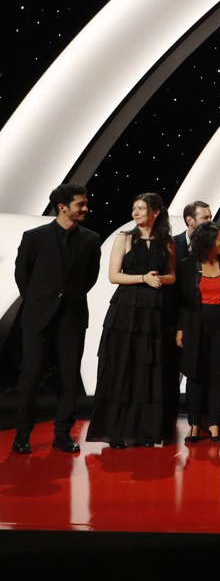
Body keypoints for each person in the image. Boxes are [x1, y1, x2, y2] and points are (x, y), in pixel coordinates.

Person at [11, 183, 101, 455]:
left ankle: (62, 434)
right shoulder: (34, 236)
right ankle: (22, 434)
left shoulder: (91, 239)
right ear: (62, 207)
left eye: (85, 203)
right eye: (80, 205)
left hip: (72, 317)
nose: (86, 208)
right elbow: (22, 275)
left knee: (68, 377)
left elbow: (90, 278)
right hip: (39, 316)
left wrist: (68, 297)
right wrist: (41, 300)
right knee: (31, 375)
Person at [86, 192, 178, 448]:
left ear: (156, 212)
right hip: (126, 310)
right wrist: (143, 278)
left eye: (141, 209)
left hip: (154, 312)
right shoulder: (124, 239)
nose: (135, 213)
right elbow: (114, 276)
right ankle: (117, 431)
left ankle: (146, 432)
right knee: (122, 367)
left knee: (148, 369)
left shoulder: (167, 242)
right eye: (134, 209)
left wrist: (157, 279)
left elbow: (172, 276)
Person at [176, 221, 220, 443]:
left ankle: (215, 424)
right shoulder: (187, 265)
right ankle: (194, 424)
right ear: (208, 241)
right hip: (194, 327)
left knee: (218, 377)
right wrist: (180, 328)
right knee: (194, 376)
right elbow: (181, 302)